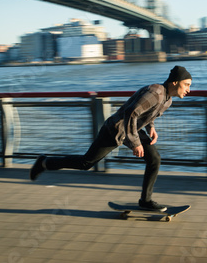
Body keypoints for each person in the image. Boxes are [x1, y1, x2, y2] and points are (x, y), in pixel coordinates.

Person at [29, 66, 192, 212]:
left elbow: (147, 113)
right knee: (85, 163)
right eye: (187, 85)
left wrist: (151, 127)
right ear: (175, 82)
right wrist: (136, 143)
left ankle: (145, 201)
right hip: (115, 129)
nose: (189, 90)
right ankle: (44, 162)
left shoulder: (167, 100)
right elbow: (131, 113)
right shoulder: (156, 92)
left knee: (154, 159)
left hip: (132, 128)